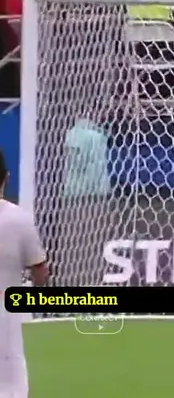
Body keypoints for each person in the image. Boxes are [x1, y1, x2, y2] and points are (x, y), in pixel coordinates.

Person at [0, 156, 49, 398]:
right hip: (5, 311)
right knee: (10, 383)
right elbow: (40, 272)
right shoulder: (18, 219)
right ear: (6, 178)